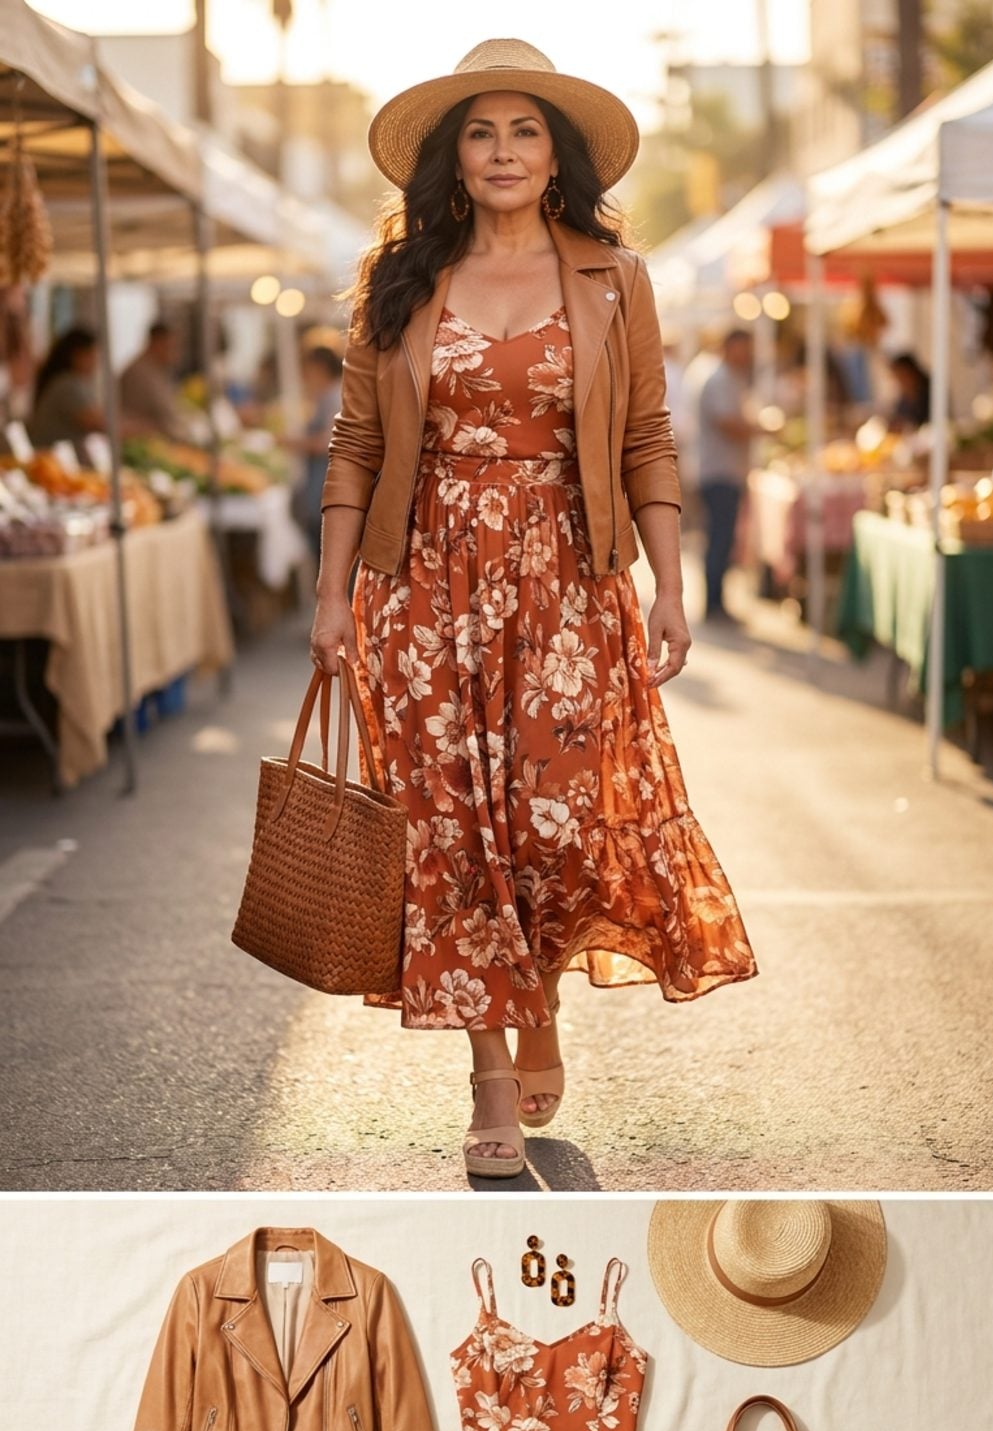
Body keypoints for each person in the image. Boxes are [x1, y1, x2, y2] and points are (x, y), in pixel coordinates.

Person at [311, 39, 757, 1178]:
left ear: (555, 157)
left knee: (554, 824)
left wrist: (669, 584)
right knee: (452, 834)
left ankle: (540, 989)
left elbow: (648, 436)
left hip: (567, 579)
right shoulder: (400, 282)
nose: (503, 151)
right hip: (420, 588)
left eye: (524, 131)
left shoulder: (612, 276)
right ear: (452, 160)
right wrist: (331, 596)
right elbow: (357, 444)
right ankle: (488, 1074)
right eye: (480, 132)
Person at [697, 327, 756, 620]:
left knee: (723, 538)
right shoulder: (720, 379)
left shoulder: (731, 378)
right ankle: (713, 602)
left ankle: (717, 600)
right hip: (718, 471)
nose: (747, 354)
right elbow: (727, 422)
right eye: (743, 347)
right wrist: (758, 428)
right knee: (719, 538)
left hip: (726, 470)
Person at [286, 343, 344, 548]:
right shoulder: (328, 395)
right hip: (320, 487)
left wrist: (289, 442)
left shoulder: (334, 396)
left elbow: (328, 441)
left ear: (319, 367)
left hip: (325, 487)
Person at [28, 325, 104, 455]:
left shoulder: (75, 382)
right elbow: (97, 422)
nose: (95, 362)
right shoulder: (66, 384)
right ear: (76, 355)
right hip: (50, 458)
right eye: (91, 355)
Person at [119, 321, 185, 438]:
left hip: (157, 439)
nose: (175, 353)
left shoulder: (158, 369)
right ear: (157, 343)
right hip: (142, 439)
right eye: (171, 346)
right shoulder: (138, 372)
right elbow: (162, 411)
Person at [887, 351, 931, 430]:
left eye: (901, 375)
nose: (899, 381)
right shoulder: (905, 394)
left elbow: (923, 423)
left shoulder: (929, 392)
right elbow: (898, 415)